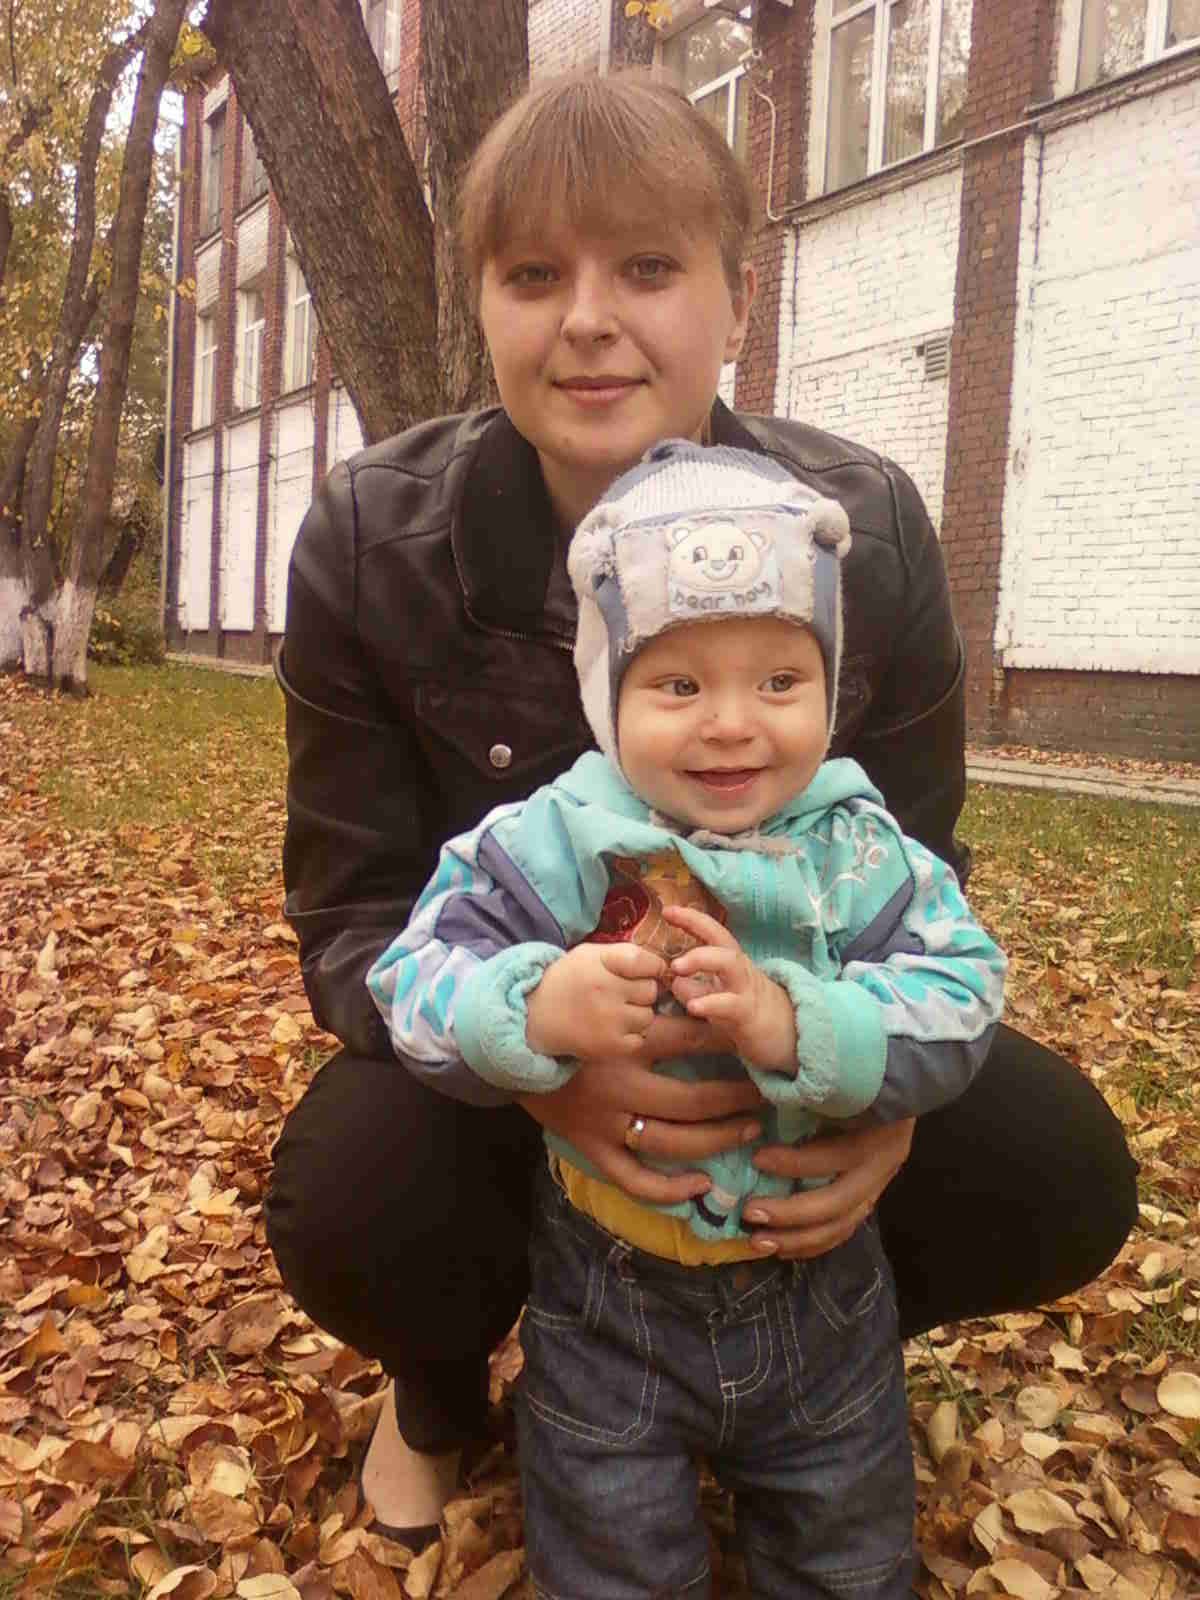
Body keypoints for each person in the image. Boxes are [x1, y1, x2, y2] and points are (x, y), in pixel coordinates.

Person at [266, 67, 1137, 1564]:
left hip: (792, 1042)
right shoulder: (373, 535)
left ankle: (805, 1334)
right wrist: (540, 1065)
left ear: (739, 295)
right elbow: (353, 923)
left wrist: (878, 1105)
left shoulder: (859, 528)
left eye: (648, 267)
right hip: (514, 1052)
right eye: (534, 276)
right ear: (481, 305)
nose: (588, 321)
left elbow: (920, 873)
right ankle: (443, 1378)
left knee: (1056, 1162)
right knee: (351, 1191)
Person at [364, 439, 1009, 1596]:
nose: (732, 724)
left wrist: (810, 1026)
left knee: (850, 1561)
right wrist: (531, 1006)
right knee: (609, 1562)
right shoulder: (557, 835)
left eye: (781, 681)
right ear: (605, 691)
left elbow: (966, 993)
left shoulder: (856, 846)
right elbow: (411, 974)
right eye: (679, 685)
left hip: (823, 1300)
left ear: (829, 689)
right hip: (606, 1298)